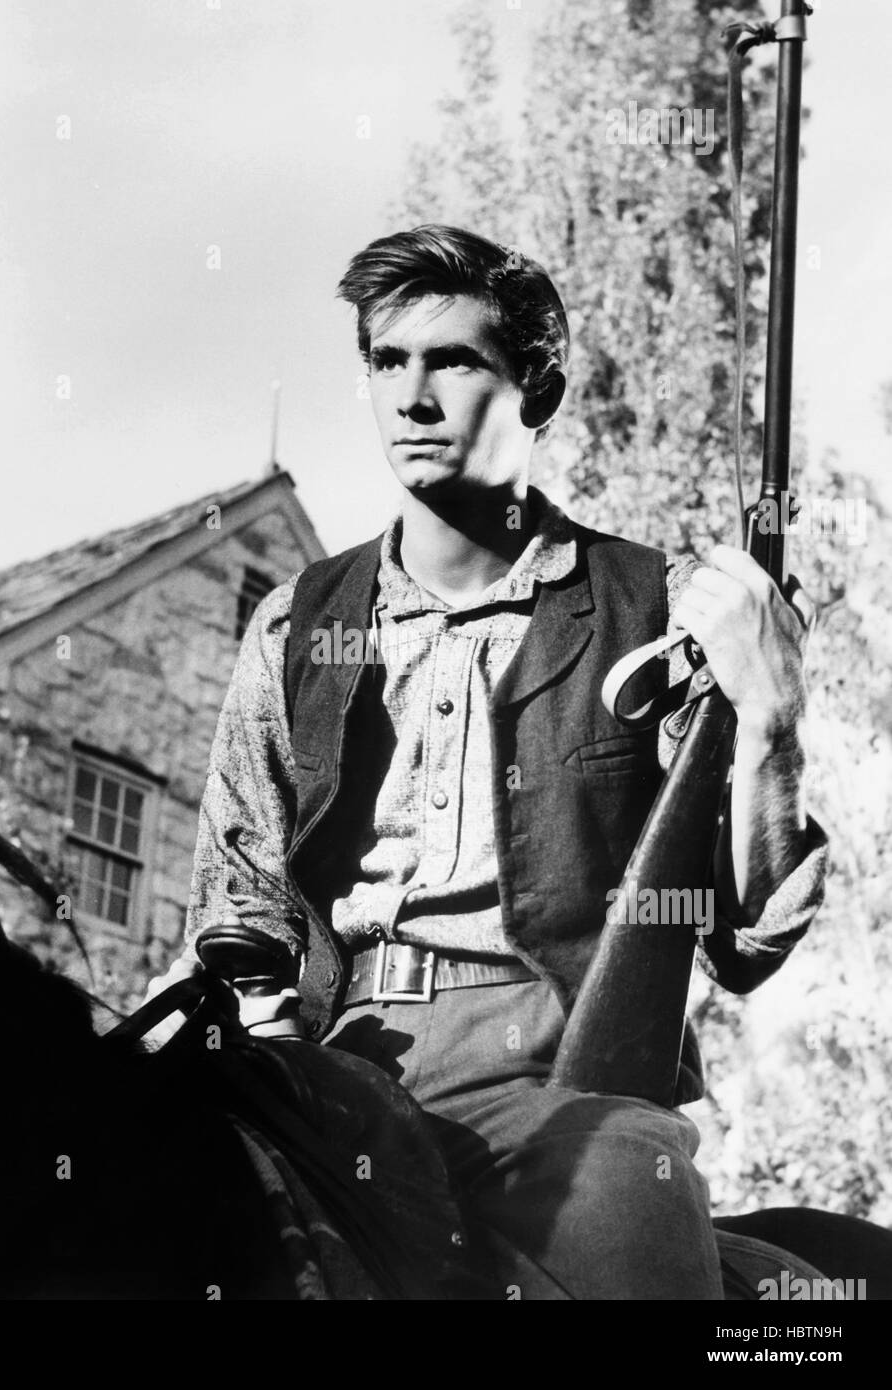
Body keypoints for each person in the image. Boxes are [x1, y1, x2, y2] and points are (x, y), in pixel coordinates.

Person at [143, 224, 828, 1299]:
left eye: (455, 361)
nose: (412, 397)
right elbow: (243, 897)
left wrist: (772, 719)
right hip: (333, 1058)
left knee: (626, 1206)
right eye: (387, 362)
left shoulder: (656, 611)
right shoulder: (295, 623)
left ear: (535, 393)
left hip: (559, 1069)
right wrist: (259, 1030)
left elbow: (742, 939)